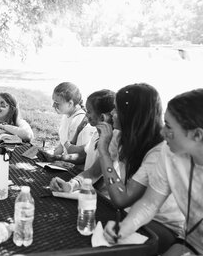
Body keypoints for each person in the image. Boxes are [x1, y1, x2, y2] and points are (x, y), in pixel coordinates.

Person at [50, 83, 185, 253]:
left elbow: (122, 199)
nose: (112, 113)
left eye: (116, 109)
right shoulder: (118, 136)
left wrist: (104, 152)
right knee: (76, 226)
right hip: (130, 214)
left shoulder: (158, 152)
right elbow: (93, 172)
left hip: (162, 224)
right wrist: (71, 185)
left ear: (131, 115)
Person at [104, 88, 203, 256]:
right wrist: (123, 229)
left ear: (197, 135)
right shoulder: (169, 152)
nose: (162, 133)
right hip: (192, 240)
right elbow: (150, 203)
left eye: (169, 127)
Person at [37, 82, 96, 164]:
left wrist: (56, 159)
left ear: (70, 103)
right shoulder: (66, 115)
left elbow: (81, 157)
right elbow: (62, 144)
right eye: (53, 101)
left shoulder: (79, 121)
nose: (53, 106)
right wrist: (50, 157)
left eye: (57, 103)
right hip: (63, 162)